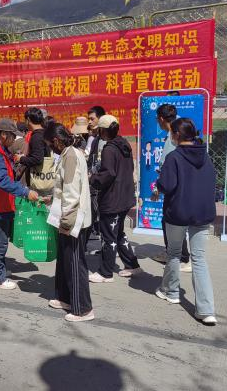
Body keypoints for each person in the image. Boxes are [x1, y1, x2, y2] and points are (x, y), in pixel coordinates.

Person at [155, 118, 217, 325]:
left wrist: (158, 184)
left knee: (174, 253)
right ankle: (206, 310)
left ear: (176, 135)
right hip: (202, 213)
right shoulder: (205, 156)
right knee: (199, 259)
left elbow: (166, 185)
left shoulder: (174, 157)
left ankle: (171, 291)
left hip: (178, 212)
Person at [0, 118, 39, 290]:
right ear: (4, 135)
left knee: (2, 241)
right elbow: (3, 181)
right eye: (13, 136)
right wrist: (25, 192)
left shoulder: (0, 150)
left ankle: (0, 270)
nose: (14, 139)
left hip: (1, 202)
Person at [44, 123, 94, 322]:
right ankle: (65, 297)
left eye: (50, 144)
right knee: (65, 260)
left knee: (74, 262)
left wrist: (66, 221)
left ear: (56, 141)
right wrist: (53, 199)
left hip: (73, 218)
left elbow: (72, 192)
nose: (50, 148)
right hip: (66, 215)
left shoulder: (71, 156)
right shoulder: (67, 154)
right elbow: (64, 186)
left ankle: (83, 308)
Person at [88, 115, 142, 283]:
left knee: (108, 236)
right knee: (118, 233)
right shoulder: (124, 144)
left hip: (112, 199)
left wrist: (92, 178)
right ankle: (132, 265)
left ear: (103, 131)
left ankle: (105, 273)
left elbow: (108, 174)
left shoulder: (109, 149)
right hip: (125, 196)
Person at [152, 104, 191, 271]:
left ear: (161, 119)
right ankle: (172, 252)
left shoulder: (173, 137)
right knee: (170, 221)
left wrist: (159, 187)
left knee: (173, 221)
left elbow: (169, 166)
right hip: (178, 184)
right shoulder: (175, 132)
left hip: (177, 187)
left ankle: (183, 258)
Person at [14, 107, 50, 190]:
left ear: (28, 120)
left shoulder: (36, 137)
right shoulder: (44, 133)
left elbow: (37, 159)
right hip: (45, 177)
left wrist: (21, 159)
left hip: (38, 181)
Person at [87, 106, 106, 244]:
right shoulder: (95, 139)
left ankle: (107, 249)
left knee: (104, 219)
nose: (89, 122)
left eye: (92, 119)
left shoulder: (106, 140)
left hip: (103, 185)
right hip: (95, 184)